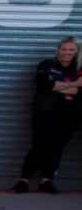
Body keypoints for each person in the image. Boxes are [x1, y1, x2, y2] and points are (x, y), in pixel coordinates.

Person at [11, 35, 80, 193]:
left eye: (71, 49)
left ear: (77, 51)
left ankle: (46, 181)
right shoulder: (47, 64)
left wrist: (57, 85)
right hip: (45, 111)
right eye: (63, 49)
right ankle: (23, 181)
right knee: (39, 145)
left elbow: (79, 92)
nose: (66, 52)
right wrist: (75, 85)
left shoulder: (80, 68)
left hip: (71, 114)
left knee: (57, 147)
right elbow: (44, 85)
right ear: (58, 50)